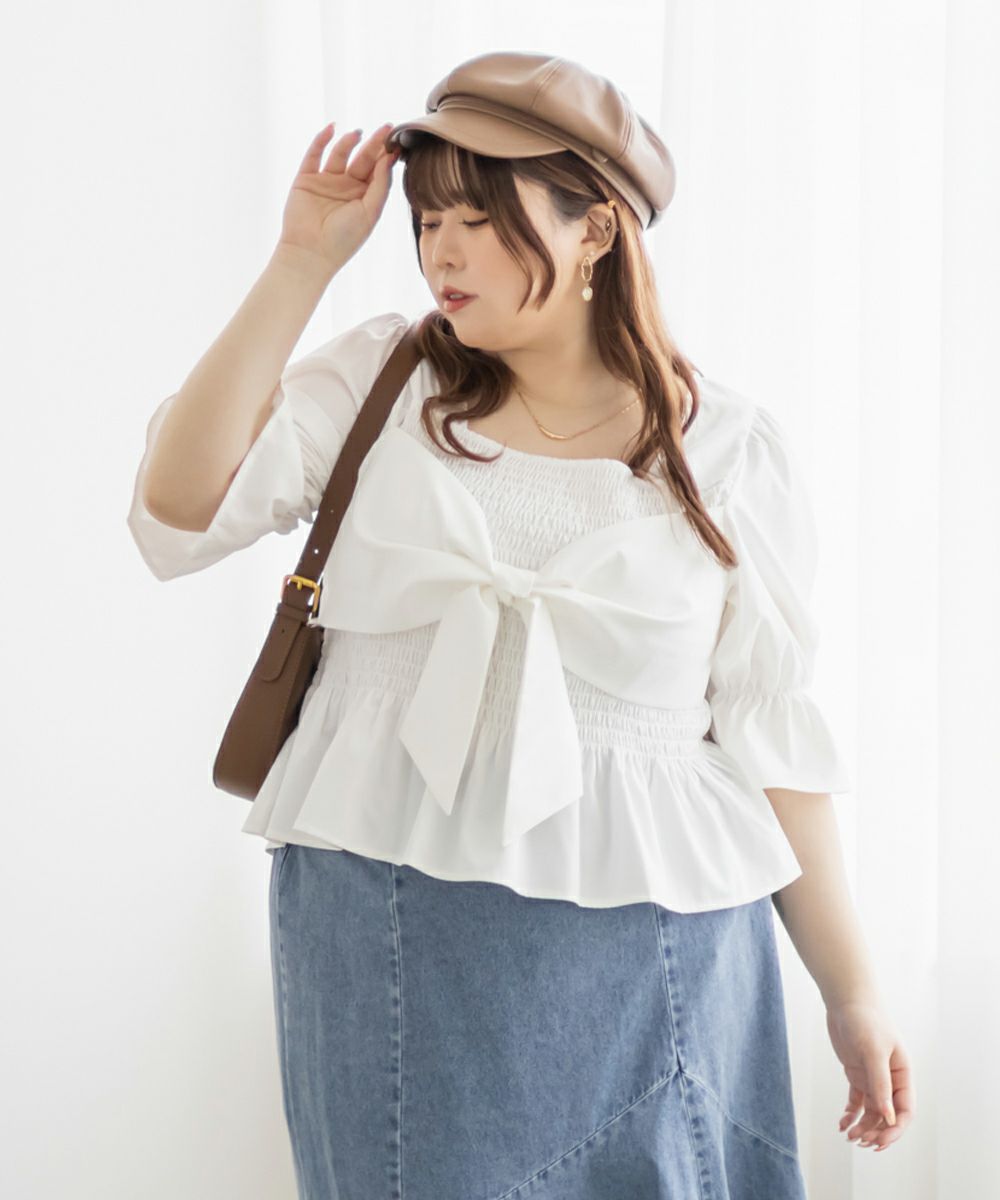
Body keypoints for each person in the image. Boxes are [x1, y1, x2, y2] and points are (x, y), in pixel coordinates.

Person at [127, 50, 914, 1200]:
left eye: (480, 220)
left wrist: (852, 993)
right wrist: (302, 262)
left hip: (665, 956)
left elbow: (771, 736)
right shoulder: (384, 385)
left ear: (595, 230)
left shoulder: (728, 448)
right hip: (389, 929)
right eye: (426, 220)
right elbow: (180, 505)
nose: (441, 252)